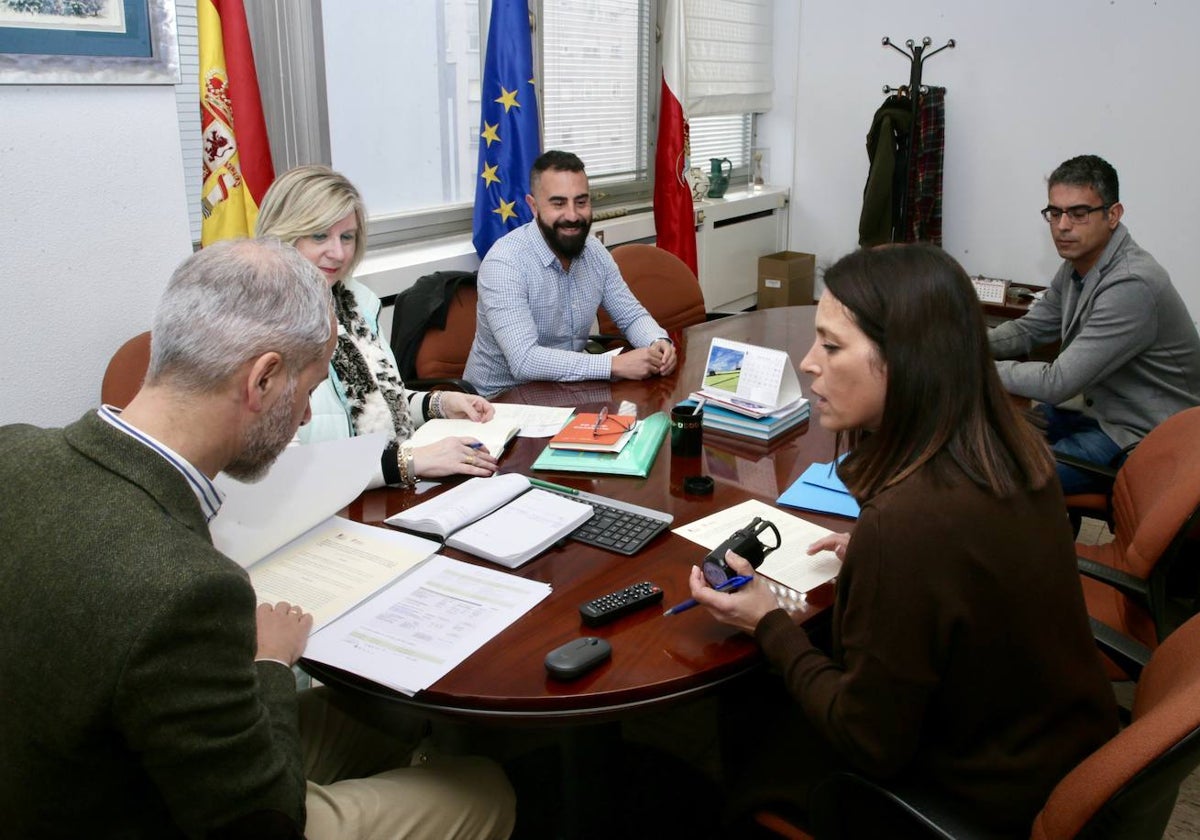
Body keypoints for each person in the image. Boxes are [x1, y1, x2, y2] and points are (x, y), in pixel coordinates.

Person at [0, 239, 515, 839]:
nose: (303, 417)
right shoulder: (189, 591)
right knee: (485, 788)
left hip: (64, 771)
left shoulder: (13, 451)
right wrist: (270, 661)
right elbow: (265, 821)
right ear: (264, 378)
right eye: (310, 387)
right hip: (148, 809)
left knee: (389, 715)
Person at [688, 244, 1117, 837]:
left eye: (832, 346)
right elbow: (964, 575)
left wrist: (768, 622)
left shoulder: (909, 523)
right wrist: (877, 556)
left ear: (909, 359)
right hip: (1050, 749)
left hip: (973, 799)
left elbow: (869, 743)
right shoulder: (1011, 448)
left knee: (745, 722)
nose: (808, 363)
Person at [256, 164, 499, 488]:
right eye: (319, 235)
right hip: (319, 509)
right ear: (283, 235)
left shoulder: (355, 303)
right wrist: (411, 461)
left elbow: (378, 403)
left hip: (379, 491)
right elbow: (287, 472)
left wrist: (438, 404)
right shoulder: (261, 323)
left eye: (347, 237)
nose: (338, 253)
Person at [989, 154, 1200, 494]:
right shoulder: (1078, 266)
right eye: (1054, 213)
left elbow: (1058, 381)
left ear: (1113, 215)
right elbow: (1029, 330)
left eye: (1079, 213)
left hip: (1139, 435)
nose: (1062, 225)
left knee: (1001, 480)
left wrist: (969, 365)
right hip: (1093, 412)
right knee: (982, 444)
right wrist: (965, 341)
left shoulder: (1132, 285)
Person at [464, 150, 677, 397]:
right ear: (533, 206)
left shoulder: (594, 252)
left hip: (564, 392)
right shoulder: (505, 263)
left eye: (581, 202)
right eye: (558, 203)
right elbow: (524, 361)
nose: (573, 215)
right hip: (498, 405)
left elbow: (630, 315)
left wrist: (658, 342)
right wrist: (613, 365)